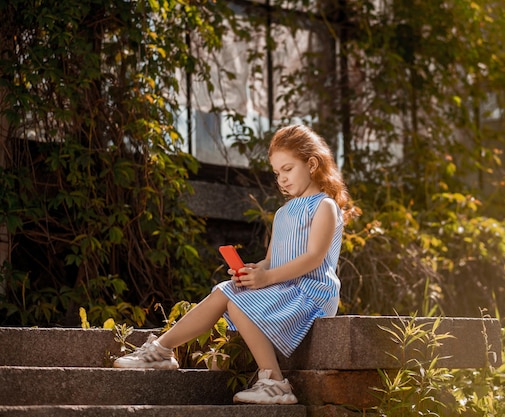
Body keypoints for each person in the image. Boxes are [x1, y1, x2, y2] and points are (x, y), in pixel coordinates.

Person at [113, 124, 359, 405]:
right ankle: (161, 349)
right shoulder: (282, 213)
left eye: (288, 169)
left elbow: (314, 257)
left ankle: (276, 383)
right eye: (277, 173)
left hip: (311, 292)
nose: (282, 179)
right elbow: (272, 259)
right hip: (283, 285)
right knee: (227, 289)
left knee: (236, 300)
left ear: (312, 163)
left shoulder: (324, 206)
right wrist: (255, 271)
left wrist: (267, 279)